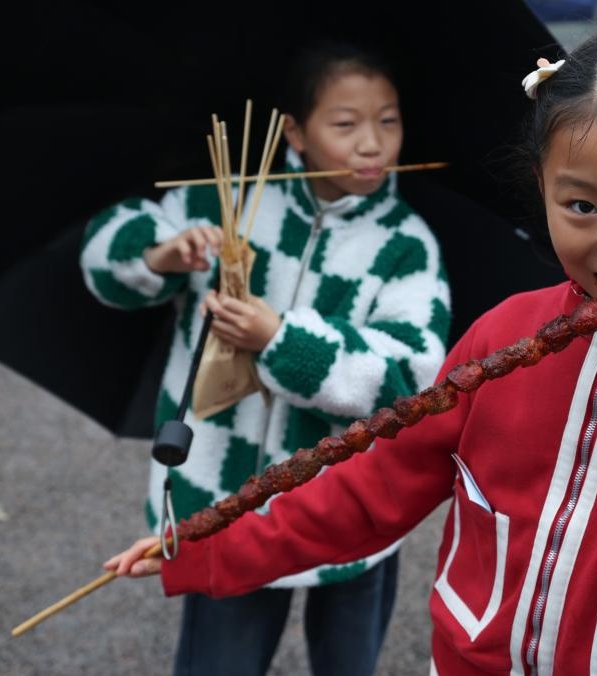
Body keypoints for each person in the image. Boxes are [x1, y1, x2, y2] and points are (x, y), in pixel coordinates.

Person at [105, 22, 597, 675]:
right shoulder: (504, 335)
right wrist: (201, 545)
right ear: (543, 188)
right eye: (580, 205)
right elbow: (371, 486)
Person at [81, 42, 450, 676]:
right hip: (220, 497)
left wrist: (279, 338)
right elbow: (102, 257)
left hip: (344, 500)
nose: (372, 144)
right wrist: (160, 254)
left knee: (347, 661)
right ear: (294, 132)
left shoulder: (405, 244)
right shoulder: (223, 201)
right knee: (216, 661)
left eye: (388, 121)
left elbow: (409, 376)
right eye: (345, 123)